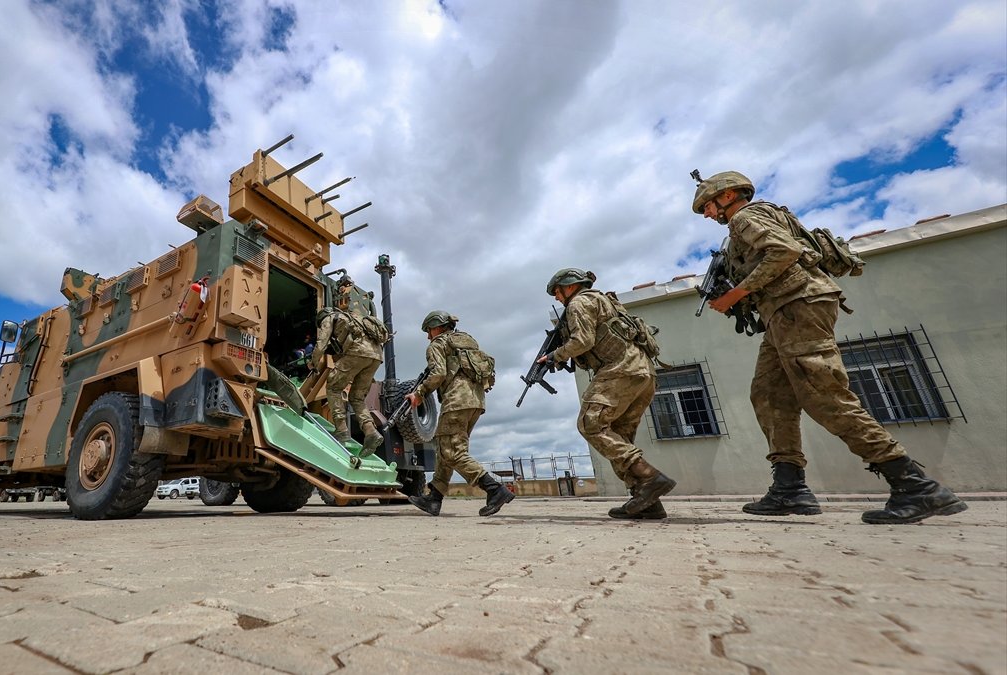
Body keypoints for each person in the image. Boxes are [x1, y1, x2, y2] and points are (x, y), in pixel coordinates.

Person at [692, 171, 967, 524]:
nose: (707, 214)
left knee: (824, 395)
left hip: (797, 306)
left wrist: (737, 292)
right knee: (769, 395)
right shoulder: (760, 218)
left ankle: (914, 485)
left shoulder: (746, 217)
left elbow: (784, 252)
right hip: (781, 312)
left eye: (708, 205)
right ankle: (789, 487)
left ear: (729, 195)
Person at [535, 269, 677, 519]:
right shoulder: (604, 300)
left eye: (557, 292)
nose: (557, 298)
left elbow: (583, 341)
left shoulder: (579, 302)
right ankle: (647, 501)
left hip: (620, 369)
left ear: (569, 286)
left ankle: (650, 478)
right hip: (643, 372)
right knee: (619, 436)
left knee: (590, 424)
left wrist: (554, 356)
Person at [405, 311, 513, 517]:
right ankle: (434, 498)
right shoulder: (466, 342)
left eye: (429, 330)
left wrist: (419, 393)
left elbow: (438, 374)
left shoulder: (437, 345)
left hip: (456, 401)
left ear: (437, 327)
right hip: (476, 401)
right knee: (446, 448)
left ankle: (494, 488)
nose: (428, 336)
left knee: (452, 451)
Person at [312, 277, 384, 457]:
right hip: (376, 356)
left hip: (357, 353)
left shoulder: (330, 317)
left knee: (334, 387)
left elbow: (321, 344)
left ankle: (342, 431)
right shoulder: (357, 317)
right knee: (357, 398)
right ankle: (370, 431)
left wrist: (313, 363)